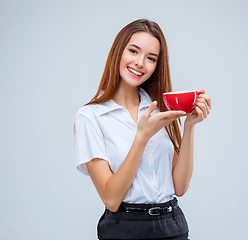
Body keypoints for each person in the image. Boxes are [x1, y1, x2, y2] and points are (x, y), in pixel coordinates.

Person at [74, 19, 211, 240]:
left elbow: (180, 187)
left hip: (172, 226)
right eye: (133, 51)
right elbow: (111, 199)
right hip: (124, 229)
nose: (140, 63)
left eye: (151, 58)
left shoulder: (160, 108)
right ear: (118, 51)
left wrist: (189, 126)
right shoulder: (90, 117)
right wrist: (142, 137)